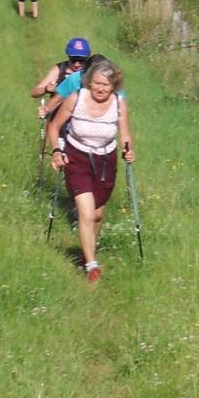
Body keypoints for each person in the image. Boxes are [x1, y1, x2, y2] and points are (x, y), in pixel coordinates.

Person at [45, 57, 133, 285]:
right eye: (97, 83)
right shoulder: (75, 98)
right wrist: (56, 151)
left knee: (97, 215)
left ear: (114, 86)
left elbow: (125, 134)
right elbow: (54, 126)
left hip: (106, 160)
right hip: (77, 157)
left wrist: (128, 151)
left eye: (106, 85)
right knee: (85, 213)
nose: (101, 89)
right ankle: (92, 265)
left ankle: (87, 254)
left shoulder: (119, 103)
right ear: (88, 83)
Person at [30, 38, 92, 123]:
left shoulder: (91, 71)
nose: (77, 64)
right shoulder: (60, 69)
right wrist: (46, 89)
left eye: (81, 60)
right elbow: (34, 92)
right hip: (58, 119)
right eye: (73, 60)